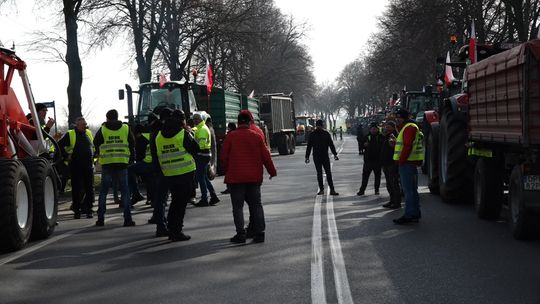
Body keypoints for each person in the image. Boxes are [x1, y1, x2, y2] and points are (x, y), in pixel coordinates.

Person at [221, 111, 277, 243]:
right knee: (256, 205)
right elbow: (266, 157)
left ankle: (240, 234)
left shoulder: (231, 137)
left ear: (238, 122)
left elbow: (223, 158)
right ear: (249, 122)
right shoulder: (257, 136)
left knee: (237, 207)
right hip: (254, 178)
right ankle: (260, 233)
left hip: (235, 178)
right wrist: (272, 171)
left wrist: (227, 170)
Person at [152, 109, 199, 241]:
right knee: (180, 204)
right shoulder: (182, 133)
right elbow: (196, 148)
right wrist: (190, 133)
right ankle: (176, 231)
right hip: (185, 173)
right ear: (181, 121)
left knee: (174, 203)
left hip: (168, 173)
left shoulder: (159, 136)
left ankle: (172, 229)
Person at [93, 109, 136, 227]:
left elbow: (95, 143)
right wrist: (132, 158)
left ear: (107, 118)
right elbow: (132, 144)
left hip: (107, 163)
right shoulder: (125, 128)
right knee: (125, 191)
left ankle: (100, 218)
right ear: (117, 117)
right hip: (122, 163)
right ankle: (128, 219)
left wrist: (99, 152)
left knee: (104, 192)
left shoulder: (103, 129)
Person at [58, 117, 95, 219]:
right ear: (77, 125)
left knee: (89, 189)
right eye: (83, 124)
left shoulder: (88, 133)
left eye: (85, 124)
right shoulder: (70, 134)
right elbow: (59, 145)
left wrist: (94, 157)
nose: (85, 126)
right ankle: (77, 211)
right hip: (76, 166)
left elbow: (93, 146)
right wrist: (66, 155)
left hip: (88, 166)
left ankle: (89, 210)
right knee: (77, 189)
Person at [392, 108, 424, 224]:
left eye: (399, 118)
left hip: (406, 164)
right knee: (412, 190)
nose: (397, 120)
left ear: (404, 118)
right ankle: (415, 213)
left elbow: (407, 146)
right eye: (396, 117)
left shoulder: (409, 127)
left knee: (408, 191)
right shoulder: (409, 127)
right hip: (409, 163)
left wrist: (401, 161)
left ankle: (410, 214)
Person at [305, 119, 339, 196]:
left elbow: (331, 145)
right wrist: (307, 156)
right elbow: (309, 146)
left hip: (323, 156)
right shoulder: (315, 134)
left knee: (328, 173)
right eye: (319, 126)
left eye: (320, 126)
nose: (319, 127)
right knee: (320, 173)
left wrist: (335, 154)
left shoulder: (324, 134)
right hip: (318, 157)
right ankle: (322, 190)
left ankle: (331, 190)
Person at [192, 113, 219, 207]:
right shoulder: (200, 128)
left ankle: (204, 199)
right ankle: (213, 196)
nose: (194, 121)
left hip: (202, 155)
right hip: (205, 155)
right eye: (194, 119)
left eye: (196, 119)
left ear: (200, 120)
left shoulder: (202, 129)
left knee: (201, 178)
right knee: (204, 178)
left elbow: (201, 145)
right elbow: (196, 130)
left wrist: (193, 146)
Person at [127, 124, 152, 206]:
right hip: (155, 162)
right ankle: (150, 198)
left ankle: (136, 194)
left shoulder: (141, 139)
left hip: (148, 162)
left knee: (130, 170)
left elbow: (139, 154)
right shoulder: (151, 135)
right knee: (149, 179)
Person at [357, 122, 383, 196]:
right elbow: (360, 144)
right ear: (370, 129)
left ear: (378, 129)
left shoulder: (381, 137)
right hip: (368, 160)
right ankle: (362, 190)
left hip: (377, 160)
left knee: (377, 176)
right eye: (372, 128)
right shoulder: (367, 136)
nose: (373, 130)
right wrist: (363, 145)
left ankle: (376, 190)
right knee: (365, 176)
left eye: (375, 128)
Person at [380, 121, 401, 209]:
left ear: (393, 127)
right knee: (389, 183)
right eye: (385, 127)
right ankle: (392, 200)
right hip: (385, 163)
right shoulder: (386, 136)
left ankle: (397, 202)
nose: (386, 128)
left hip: (392, 163)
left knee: (394, 183)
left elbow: (395, 146)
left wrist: (393, 142)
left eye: (388, 127)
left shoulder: (394, 136)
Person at [220, 122, 237, 195]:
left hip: (230, 157)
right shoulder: (236, 134)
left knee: (228, 173)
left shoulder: (229, 135)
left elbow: (225, 147)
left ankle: (229, 188)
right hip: (235, 156)